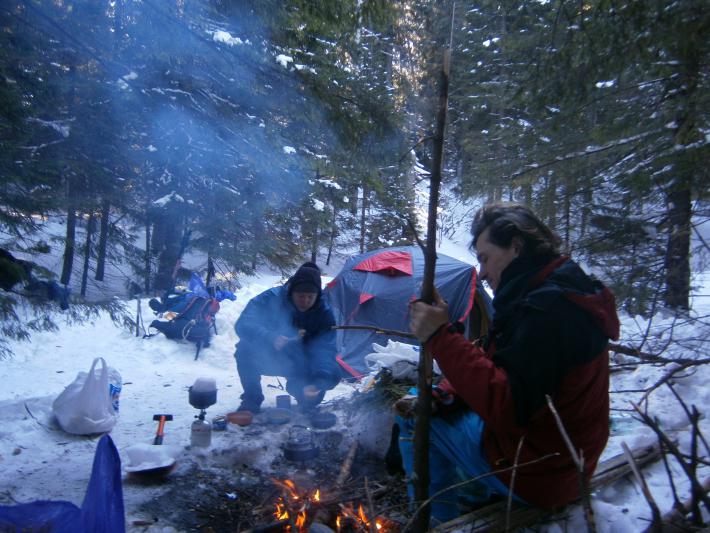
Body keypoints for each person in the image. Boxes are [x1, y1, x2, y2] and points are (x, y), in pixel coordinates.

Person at [401, 202, 620, 524]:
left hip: (541, 473)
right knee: (436, 399)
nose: (483, 273)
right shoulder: (554, 291)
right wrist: (447, 391)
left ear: (516, 247)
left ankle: (437, 523)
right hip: (566, 461)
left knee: (413, 418)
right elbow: (507, 365)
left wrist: (440, 337)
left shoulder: (549, 312)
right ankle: (480, 488)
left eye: (486, 259)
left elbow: (506, 406)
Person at [234, 262, 340, 413]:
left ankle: (301, 389)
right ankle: (252, 398)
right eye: (301, 296)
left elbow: (326, 349)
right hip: (272, 355)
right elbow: (243, 324)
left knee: (316, 393)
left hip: (302, 362)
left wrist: (318, 381)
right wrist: (269, 337)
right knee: (244, 349)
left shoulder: (324, 313)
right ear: (291, 292)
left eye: (310, 296)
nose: (305, 301)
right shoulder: (270, 298)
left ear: (317, 296)